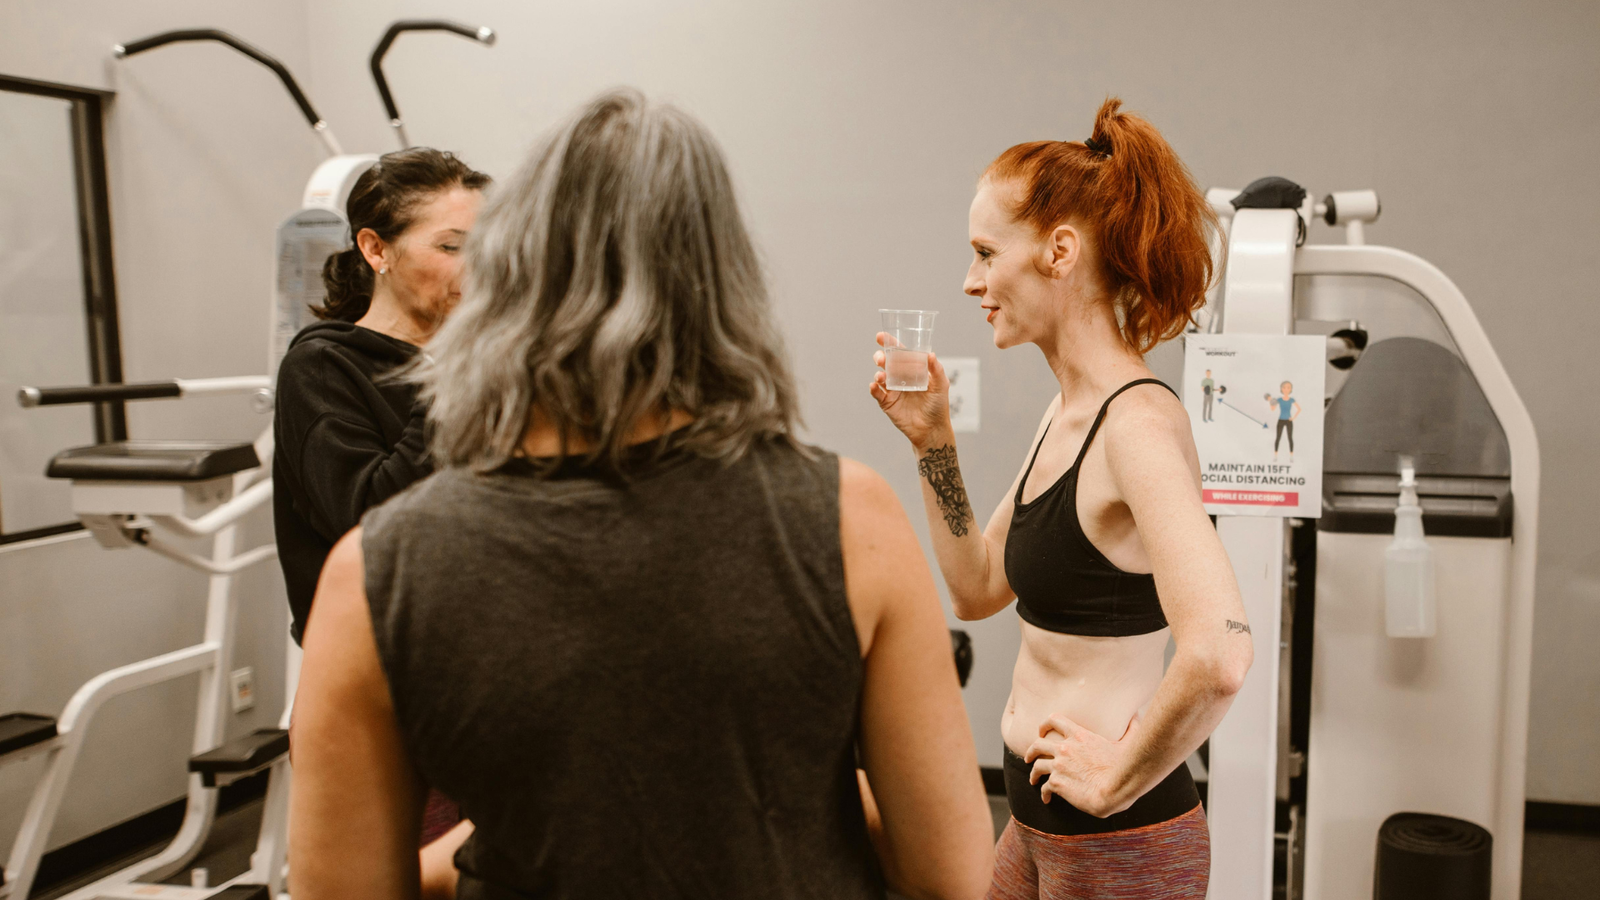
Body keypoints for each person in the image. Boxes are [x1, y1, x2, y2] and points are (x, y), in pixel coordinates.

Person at [288, 89, 995, 900]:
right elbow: (953, 878)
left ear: (508, 279)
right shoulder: (852, 518)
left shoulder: (375, 571)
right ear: (726, 286)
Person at [870, 98, 1254, 899]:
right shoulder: (1068, 414)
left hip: (1122, 840)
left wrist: (1117, 778)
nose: (970, 280)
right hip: (1039, 822)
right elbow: (977, 588)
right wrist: (932, 443)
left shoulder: (1136, 426)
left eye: (984, 252)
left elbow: (1219, 653)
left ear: (1059, 251)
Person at [272, 146, 490, 892]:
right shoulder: (324, 367)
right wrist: (458, 373)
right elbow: (369, 520)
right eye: (451, 247)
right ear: (376, 249)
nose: (475, 268)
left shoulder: (496, 368)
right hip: (389, 695)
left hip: (492, 678)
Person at [1270, 380, 1300, 461]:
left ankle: (1291, 456)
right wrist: (1271, 403)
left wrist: (1293, 418)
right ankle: (1275, 456)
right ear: (1281, 389)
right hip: (1281, 420)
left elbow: (1299, 409)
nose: (1286, 389)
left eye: (1288, 388)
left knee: (1290, 438)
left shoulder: (1291, 400)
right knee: (1278, 438)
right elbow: (1272, 409)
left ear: (1290, 389)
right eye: (1284, 388)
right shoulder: (1279, 399)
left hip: (1289, 421)